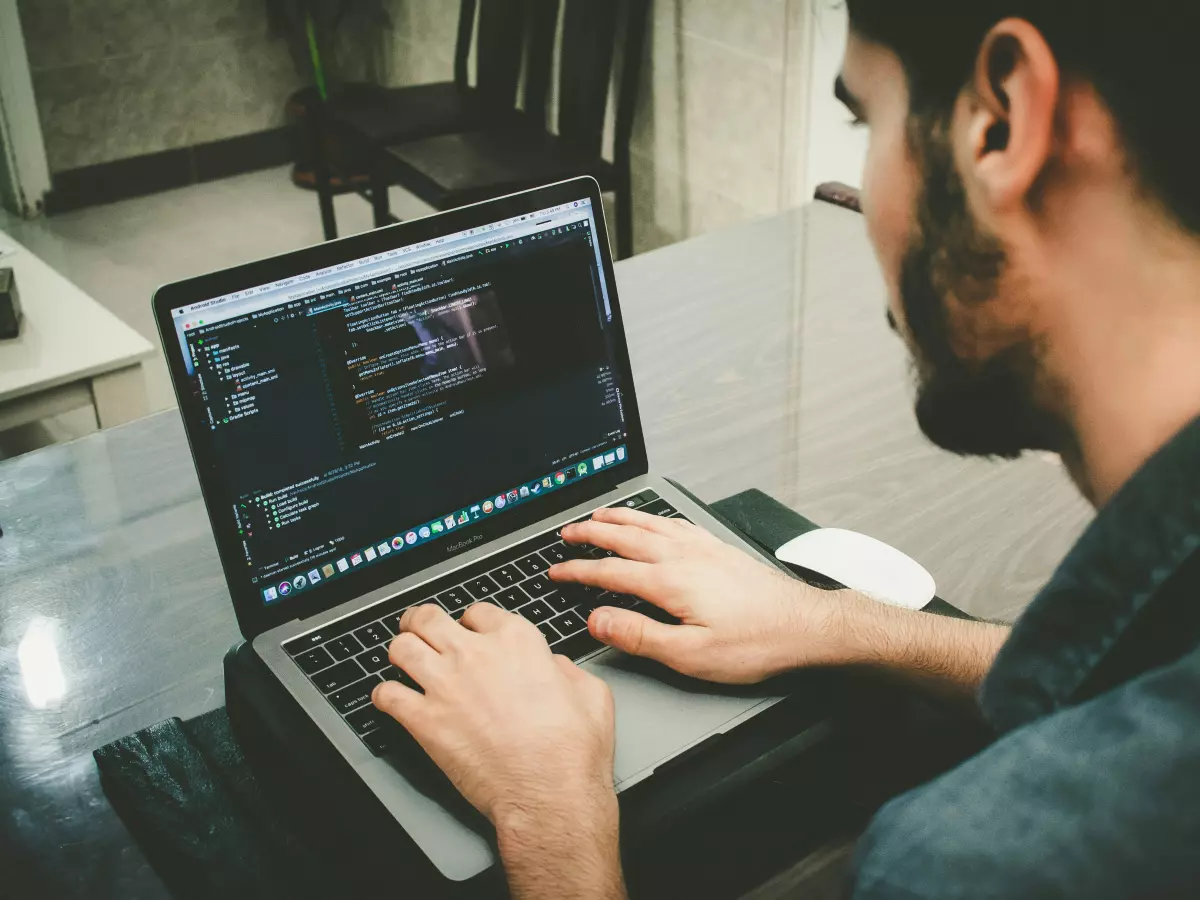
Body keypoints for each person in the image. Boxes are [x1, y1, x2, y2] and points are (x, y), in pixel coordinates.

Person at [371, 2, 1200, 896]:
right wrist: (829, 621)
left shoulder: (975, 864)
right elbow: (1132, 663)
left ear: (1002, 119)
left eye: (865, 120)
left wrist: (551, 809)